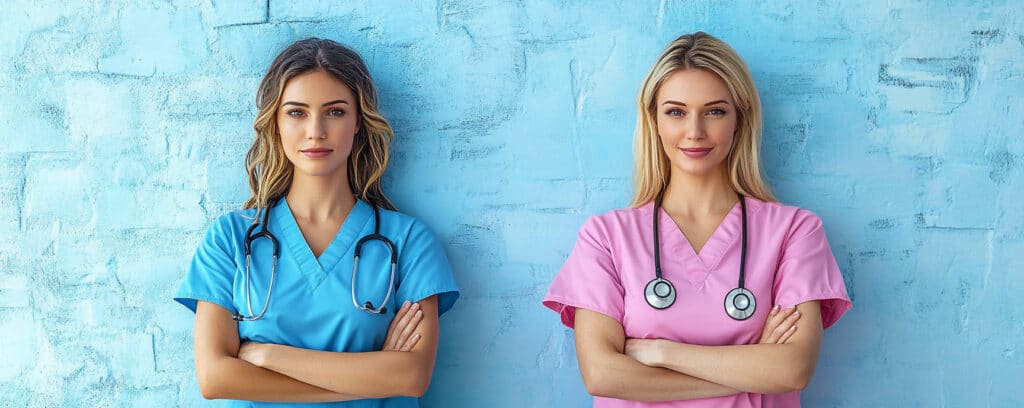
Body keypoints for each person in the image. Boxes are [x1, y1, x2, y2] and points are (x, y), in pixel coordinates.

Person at [542, 32, 851, 407]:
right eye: (676, 112)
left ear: (740, 118)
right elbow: (603, 374)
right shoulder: (606, 237)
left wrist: (660, 353)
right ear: (654, 119)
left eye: (715, 111)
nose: (695, 132)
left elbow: (791, 370)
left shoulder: (794, 232)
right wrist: (751, 367)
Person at [174, 37, 459, 407]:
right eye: (296, 112)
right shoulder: (230, 239)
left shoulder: (407, 242)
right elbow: (215, 378)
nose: (316, 131)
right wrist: (369, 378)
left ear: (359, 122)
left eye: (335, 112)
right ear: (275, 122)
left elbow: (412, 376)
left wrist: (268, 356)